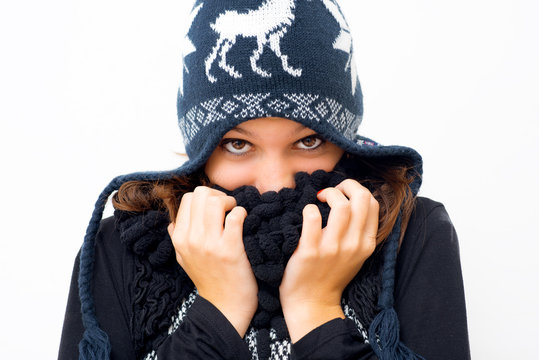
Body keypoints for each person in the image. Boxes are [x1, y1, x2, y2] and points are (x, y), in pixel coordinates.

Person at [59, 1, 470, 359]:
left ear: (345, 141)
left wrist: (316, 309)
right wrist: (218, 310)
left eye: (309, 141)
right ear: (202, 147)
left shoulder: (411, 233)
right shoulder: (123, 248)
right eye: (238, 145)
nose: (275, 184)